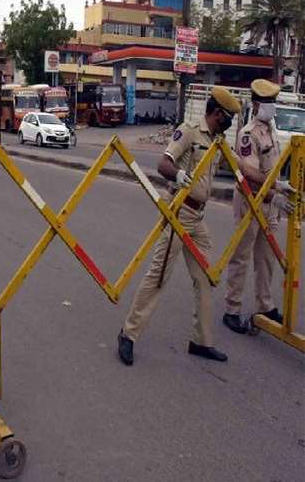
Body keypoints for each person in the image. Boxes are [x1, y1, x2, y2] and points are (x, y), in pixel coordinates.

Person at [117, 86, 241, 366]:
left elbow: (238, 167)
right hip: (178, 213)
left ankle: (201, 341)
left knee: (206, 278)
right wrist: (179, 174)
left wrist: (273, 189)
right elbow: (164, 163)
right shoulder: (189, 131)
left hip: (198, 219)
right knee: (158, 276)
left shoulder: (218, 141)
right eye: (229, 116)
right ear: (217, 113)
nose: (230, 121)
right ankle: (128, 335)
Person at [222, 79, 296, 333]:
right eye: (267, 103)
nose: (272, 107)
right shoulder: (248, 133)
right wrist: (273, 190)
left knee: (266, 258)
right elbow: (249, 171)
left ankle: (265, 305)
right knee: (241, 257)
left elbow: (272, 167)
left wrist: (279, 186)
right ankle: (232, 309)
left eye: (274, 102)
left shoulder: (270, 129)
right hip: (250, 202)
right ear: (255, 105)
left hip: (270, 202)